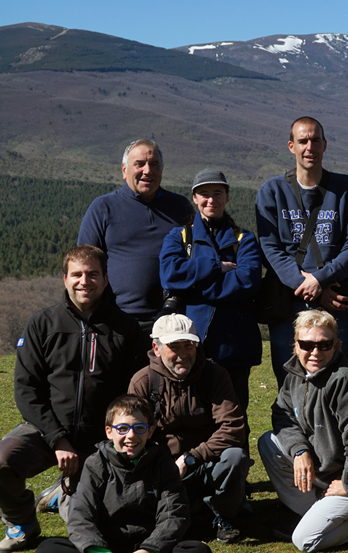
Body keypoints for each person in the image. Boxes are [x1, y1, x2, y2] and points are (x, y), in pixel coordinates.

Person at [0, 245, 146, 552]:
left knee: (94, 529)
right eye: (77, 274)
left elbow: (135, 393)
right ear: (65, 278)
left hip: (101, 440)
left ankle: (61, 494)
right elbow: (26, 390)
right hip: (47, 432)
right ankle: (22, 523)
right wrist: (58, 439)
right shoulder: (42, 324)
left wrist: (117, 439)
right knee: (2, 462)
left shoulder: (126, 328)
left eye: (93, 274)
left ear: (105, 279)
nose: (84, 281)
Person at [258, 310, 348, 552]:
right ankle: (315, 513)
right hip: (325, 472)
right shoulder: (296, 373)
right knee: (269, 442)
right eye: (307, 345)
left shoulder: (347, 380)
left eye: (324, 345)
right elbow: (282, 414)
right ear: (296, 345)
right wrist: (299, 451)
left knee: (305, 540)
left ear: (335, 345)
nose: (315, 352)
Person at [256, 116, 348, 387]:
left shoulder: (345, 189)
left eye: (315, 141)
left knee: (336, 382)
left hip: (335, 304)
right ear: (291, 146)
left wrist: (320, 280)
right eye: (303, 141)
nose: (309, 147)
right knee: (289, 383)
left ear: (324, 144)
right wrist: (306, 284)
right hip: (288, 305)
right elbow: (270, 248)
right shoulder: (272, 191)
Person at [159, 168, 262, 442]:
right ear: (194, 198)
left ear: (227, 196)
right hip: (191, 346)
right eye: (204, 194)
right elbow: (169, 274)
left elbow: (248, 281)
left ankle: (236, 468)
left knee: (235, 419)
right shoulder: (180, 237)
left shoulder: (244, 240)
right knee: (195, 419)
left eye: (217, 193)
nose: (211, 200)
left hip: (234, 348)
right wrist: (216, 266)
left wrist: (195, 285)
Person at [128, 314, 250, 544]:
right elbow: (133, 435)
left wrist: (191, 457)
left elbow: (233, 427)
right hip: (162, 469)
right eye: (174, 347)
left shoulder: (215, 375)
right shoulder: (142, 382)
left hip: (207, 463)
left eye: (189, 345)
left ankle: (223, 516)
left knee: (236, 457)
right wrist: (163, 465)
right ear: (156, 348)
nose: (183, 354)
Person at [34, 395, 211, 553]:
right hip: (105, 544)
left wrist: (149, 549)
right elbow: (81, 514)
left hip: (149, 544)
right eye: (123, 428)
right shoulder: (95, 464)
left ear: (150, 431)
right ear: (109, 432)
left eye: (139, 428)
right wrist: (98, 550)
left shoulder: (163, 464)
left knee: (196, 550)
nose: (131, 436)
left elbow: (174, 514)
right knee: (49, 548)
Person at [78, 139, 194, 330]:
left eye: (154, 164)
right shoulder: (103, 207)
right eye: (139, 164)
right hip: (115, 322)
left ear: (161, 170)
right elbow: (84, 262)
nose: (147, 171)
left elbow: (197, 253)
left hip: (171, 322)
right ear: (124, 170)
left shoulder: (180, 207)